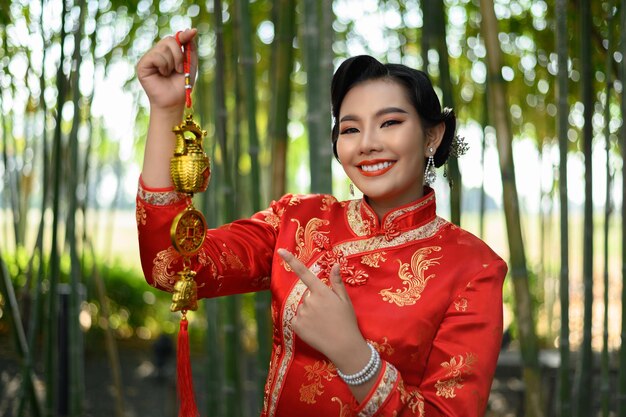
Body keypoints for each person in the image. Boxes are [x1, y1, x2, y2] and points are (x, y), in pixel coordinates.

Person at [135, 28, 507, 417]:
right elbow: (173, 266)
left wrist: (353, 356)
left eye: (390, 123)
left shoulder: (474, 268)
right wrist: (165, 111)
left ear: (433, 135)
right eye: (350, 129)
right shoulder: (297, 220)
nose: (367, 143)